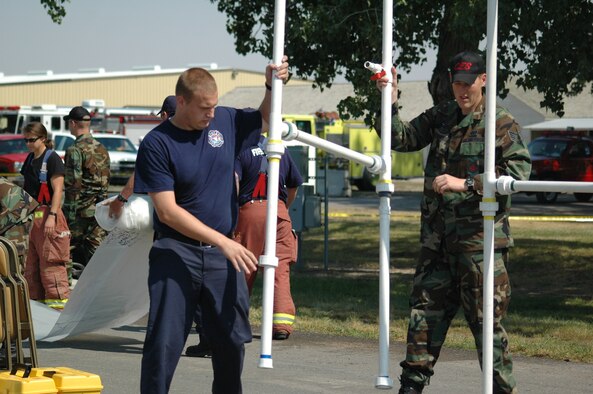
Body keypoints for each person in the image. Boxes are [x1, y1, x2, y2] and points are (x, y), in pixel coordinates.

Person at [376, 51, 531, 394]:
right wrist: (390, 100)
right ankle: (411, 387)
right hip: (437, 244)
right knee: (423, 320)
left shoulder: (500, 122)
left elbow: (518, 173)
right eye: (456, 83)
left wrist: (467, 184)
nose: (461, 91)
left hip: (478, 247)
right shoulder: (443, 115)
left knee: (487, 329)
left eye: (468, 83)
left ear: (483, 80)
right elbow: (402, 138)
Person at [134, 56, 290, 393]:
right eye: (204, 107)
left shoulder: (226, 121)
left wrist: (271, 85)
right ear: (182, 102)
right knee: (163, 344)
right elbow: (167, 212)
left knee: (231, 343)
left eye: (214, 106)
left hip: (222, 256)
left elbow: (264, 117)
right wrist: (223, 241)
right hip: (175, 252)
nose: (210, 113)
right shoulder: (157, 143)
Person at [235, 136, 302, 339]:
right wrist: (282, 208)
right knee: (279, 269)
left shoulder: (240, 150)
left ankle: (236, 324)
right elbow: (293, 185)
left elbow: (234, 183)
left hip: (249, 212)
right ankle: (282, 325)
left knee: (243, 268)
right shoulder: (280, 148)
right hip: (279, 214)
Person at [20, 122, 71, 310]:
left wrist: (52, 216)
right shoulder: (30, 158)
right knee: (31, 268)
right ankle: (37, 313)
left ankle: (57, 312)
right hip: (33, 217)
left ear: (43, 138)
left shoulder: (52, 159)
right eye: (25, 140)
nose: (28, 144)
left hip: (49, 216)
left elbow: (58, 190)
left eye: (31, 140)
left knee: (51, 266)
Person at [108, 95, 176, 219]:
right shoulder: (196, 136)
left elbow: (142, 173)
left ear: (164, 114)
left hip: (167, 212)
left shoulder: (157, 140)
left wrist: (120, 200)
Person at [63, 106, 110, 275]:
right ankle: (102, 290)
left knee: (64, 248)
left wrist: (67, 216)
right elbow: (105, 181)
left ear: (73, 123)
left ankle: (63, 291)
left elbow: (73, 185)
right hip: (98, 210)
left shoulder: (75, 149)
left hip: (80, 212)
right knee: (98, 253)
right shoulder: (102, 148)